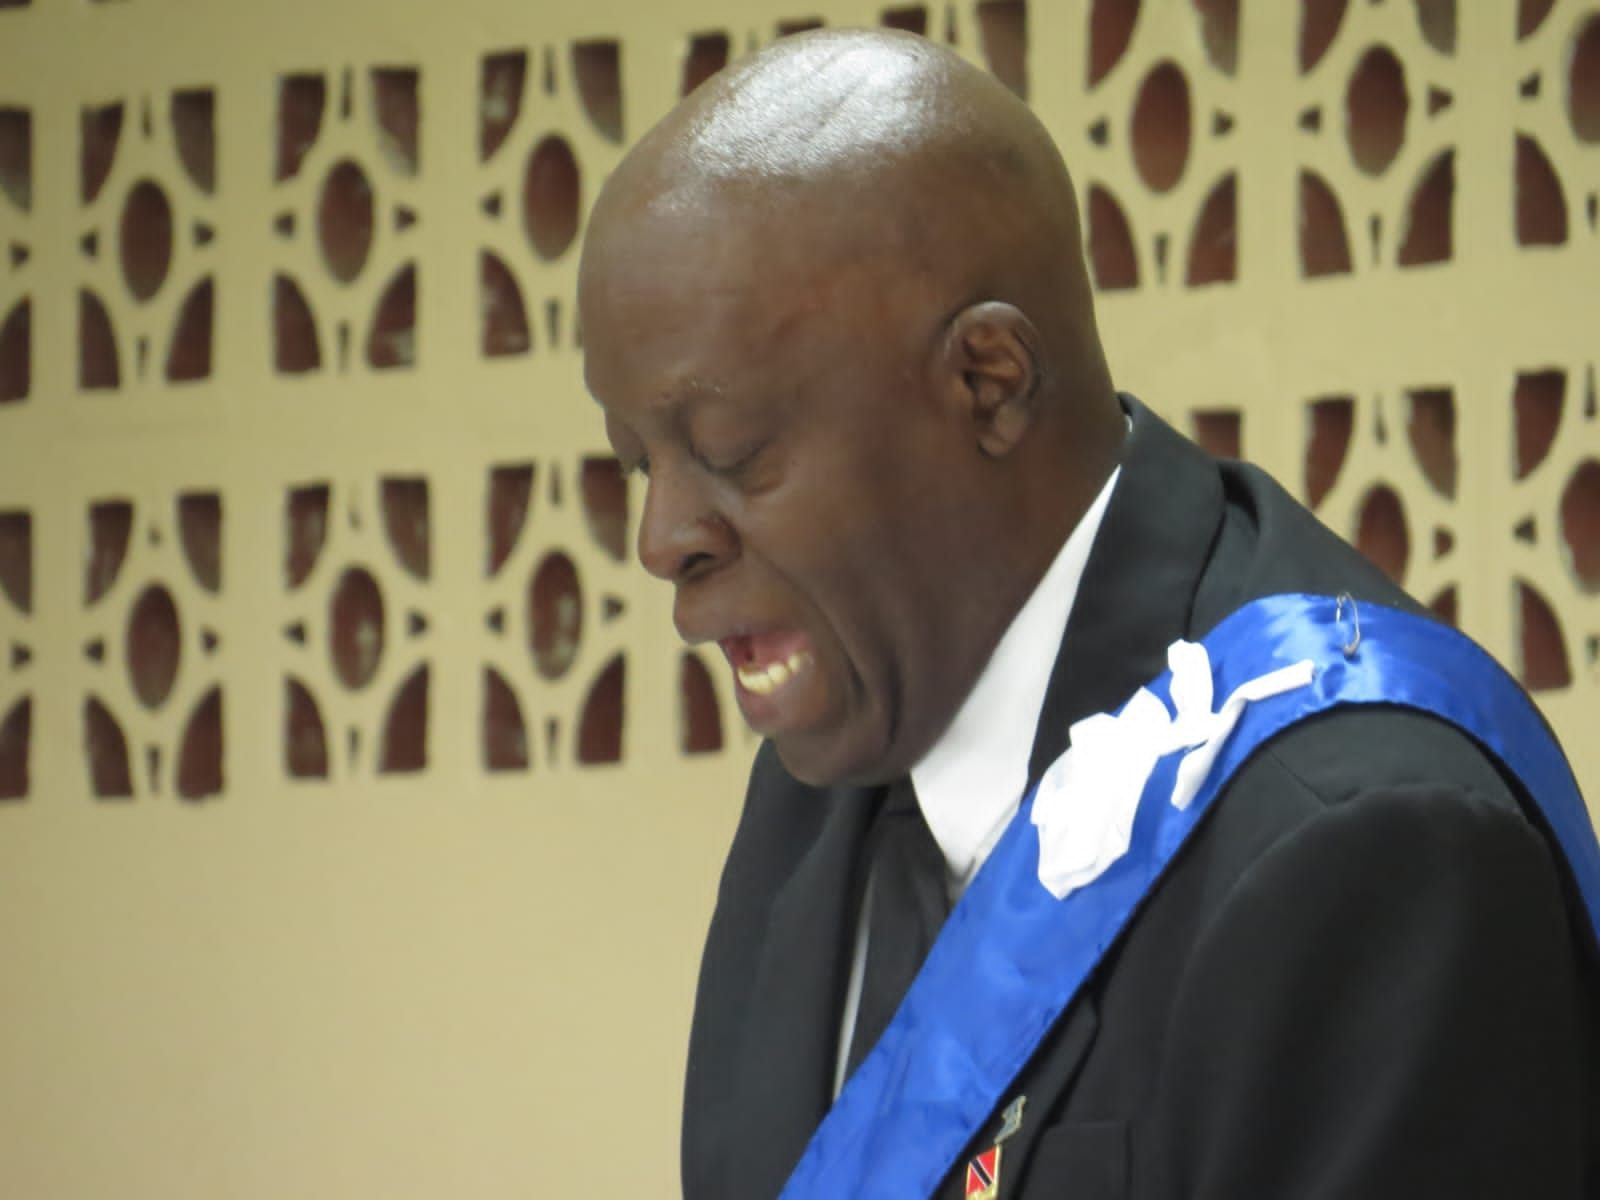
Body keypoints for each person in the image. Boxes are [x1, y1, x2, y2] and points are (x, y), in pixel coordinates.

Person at [577, 28, 1600, 1200]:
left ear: (988, 383)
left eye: (729, 450)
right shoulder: (824, 778)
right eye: (635, 461)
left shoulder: (1364, 844)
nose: (661, 539)